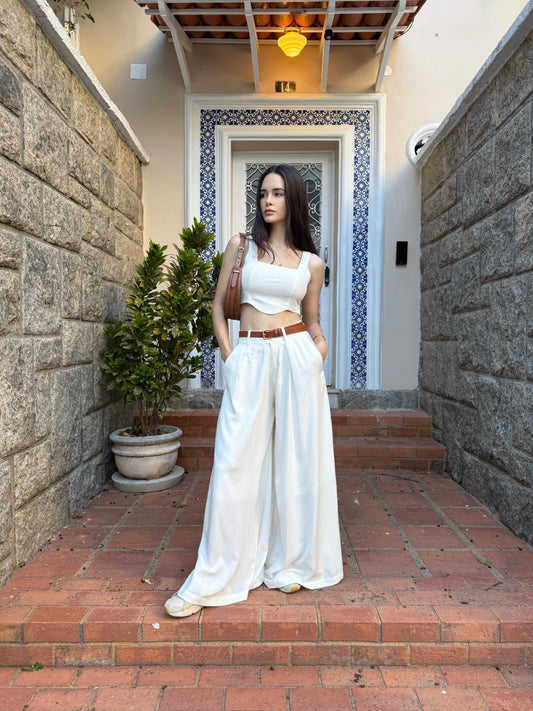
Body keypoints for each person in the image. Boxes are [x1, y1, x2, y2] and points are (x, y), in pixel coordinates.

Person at [164, 164, 343, 617]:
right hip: (250, 358)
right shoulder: (240, 247)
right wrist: (231, 357)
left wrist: (319, 351)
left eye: (278, 193)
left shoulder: (311, 263)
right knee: (233, 461)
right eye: (263, 193)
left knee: (296, 461)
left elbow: (313, 321)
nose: (268, 200)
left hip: (297, 358)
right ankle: (215, 574)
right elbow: (217, 307)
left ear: (293, 200)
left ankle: (292, 561)